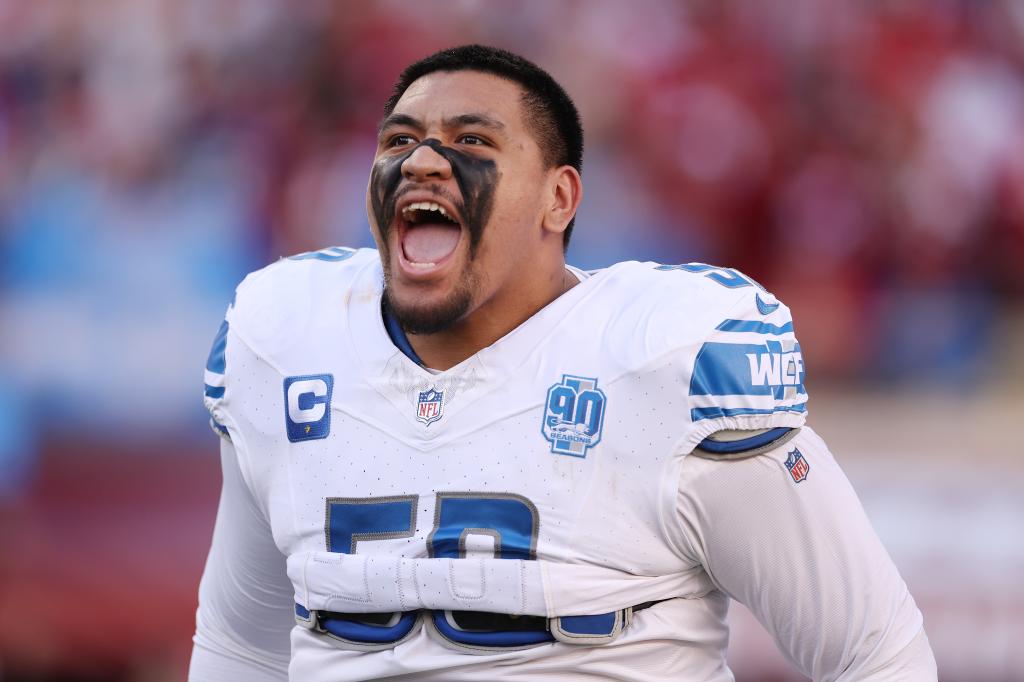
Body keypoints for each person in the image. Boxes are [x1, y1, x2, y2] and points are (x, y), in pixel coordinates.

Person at [189, 45, 936, 681]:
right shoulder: (285, 340)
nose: (421, 161)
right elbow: (241, 648)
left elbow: (874, 654)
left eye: (471, 142)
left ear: (559, 198)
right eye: (399, 141)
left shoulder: (665, 363)